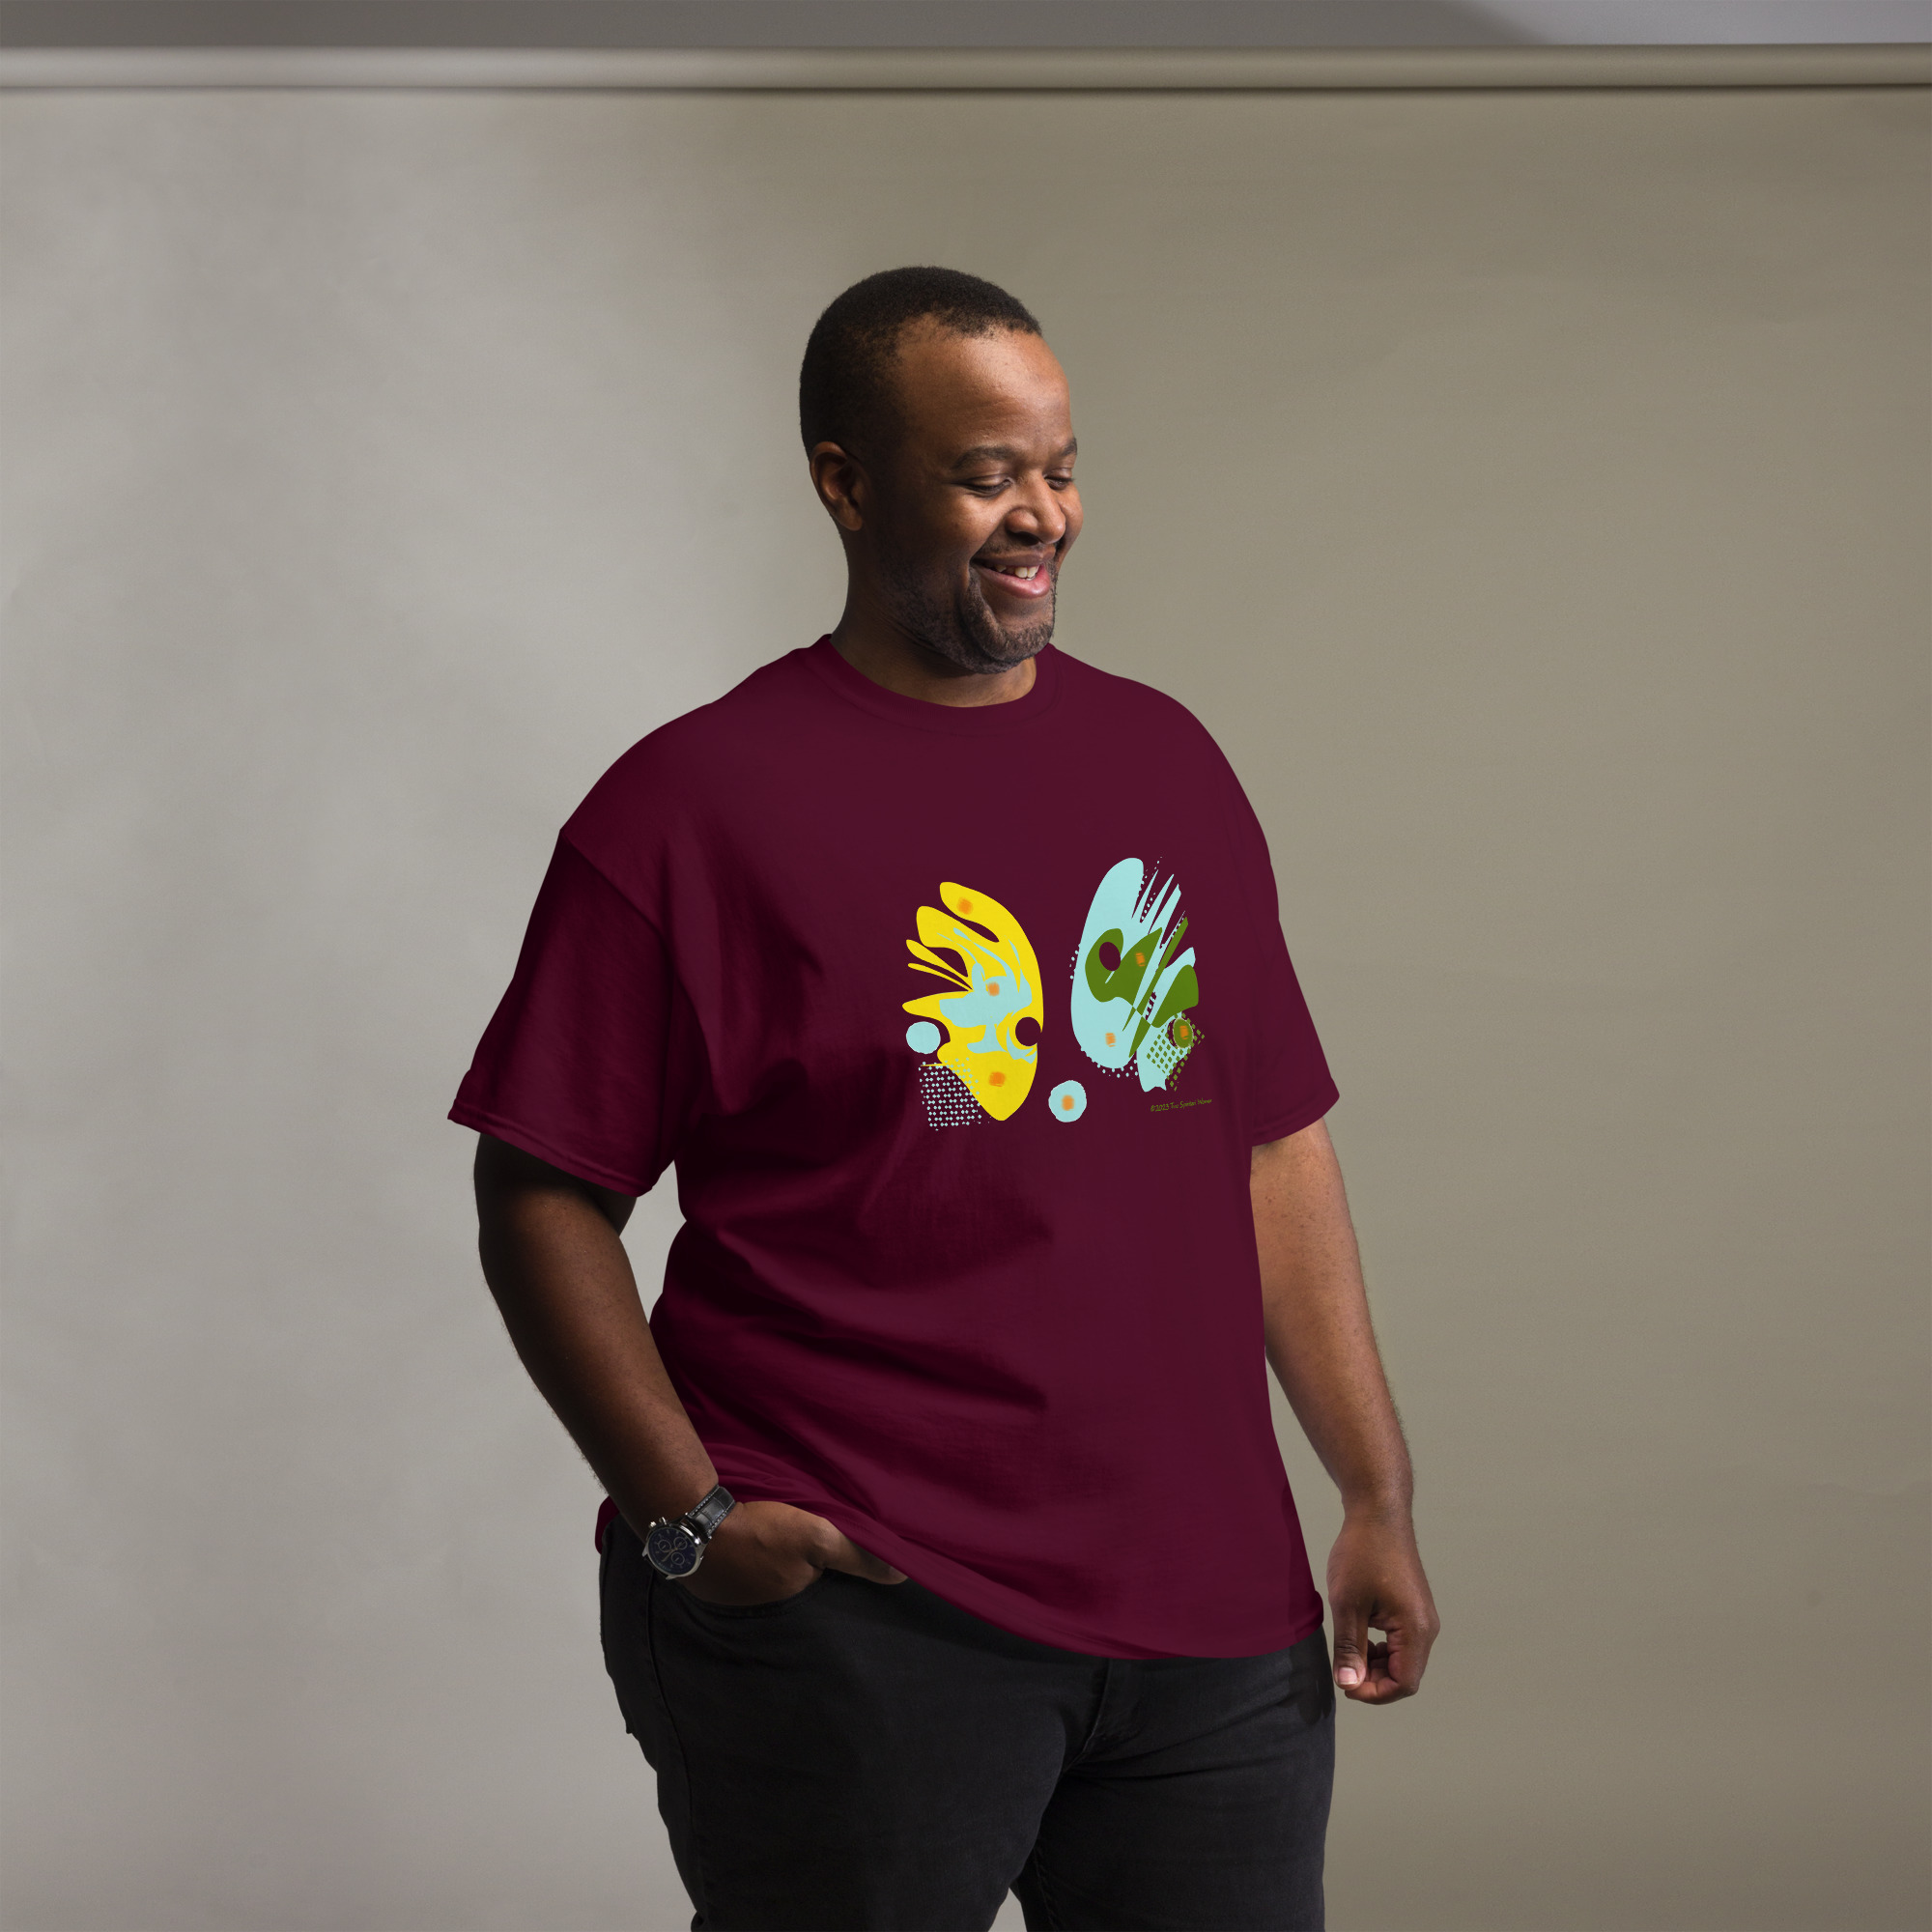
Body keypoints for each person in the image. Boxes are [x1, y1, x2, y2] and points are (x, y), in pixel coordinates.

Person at [452, 266, 1438, 1932]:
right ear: (846, 482)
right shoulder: (691, 808)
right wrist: (689, 1522)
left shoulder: (1169, 767)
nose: (1041, 514)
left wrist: (1374, 1495)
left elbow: (1271, 1146)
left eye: (1060, 468)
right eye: (987, 475)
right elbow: (541, 1190)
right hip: (865, 1615)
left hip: (1211, 1626)